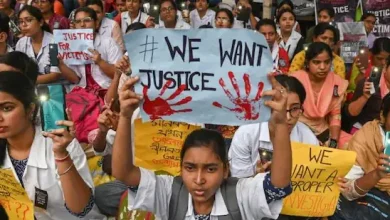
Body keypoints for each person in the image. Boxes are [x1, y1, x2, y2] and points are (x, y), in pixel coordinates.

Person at [112, 74, 293, 220]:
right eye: (190, 168)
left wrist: (281, 125)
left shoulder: (240, 194)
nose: (199, 180)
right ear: (180, 167)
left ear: (225, 170)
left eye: (210, 169)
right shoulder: (169, 193)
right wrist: (125, 117)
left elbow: (278, 185)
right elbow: (124, 173)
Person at [0, 71, 105, 219]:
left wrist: (61, 155)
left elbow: (81, 208)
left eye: (7, 108)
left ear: (30, 109)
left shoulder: (60, 143)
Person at [229, 75, 318, 178]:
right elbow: (237, 181)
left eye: (294, 108)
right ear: (267, 105)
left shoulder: (308, 138)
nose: (288, 117)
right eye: (281, 108)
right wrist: (255, 179)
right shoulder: (246, 134)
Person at [65, 7, 123, 143]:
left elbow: (118, 73)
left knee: (109, 104)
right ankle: (85, 140)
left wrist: (100, 61)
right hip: (83, 91)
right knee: (73, 99)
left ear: (97, 24)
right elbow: (75, 79)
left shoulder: (108, 43)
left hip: (106, 90)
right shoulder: (71, 45)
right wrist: (61, 63)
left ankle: (100, 139)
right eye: (78, 22)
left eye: (87, 20)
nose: (82, 25)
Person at [330, 94, 390, 220]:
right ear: (383, 116)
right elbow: (346, 190)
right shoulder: (366, 139)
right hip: (369, 195)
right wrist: (376, 174)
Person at [291, 42, 350, 148]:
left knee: (352, 145)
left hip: (323, 131)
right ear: (307, 63)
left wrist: (333, 142)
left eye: (327, 62)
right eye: (316, 62)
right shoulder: (295, 80)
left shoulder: (336, 82)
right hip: (297, 128)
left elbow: (335, 116)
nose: (322, 67)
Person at [15, 6, 71, 84]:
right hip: (29, 88)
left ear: (41, 22)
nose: (24, 25)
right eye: (21, 22)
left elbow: (55, 75)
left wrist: (26, 82)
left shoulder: (54, 42)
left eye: (28, 20)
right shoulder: (21, 43)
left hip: (54, 87)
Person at [343, 57, 390, 134]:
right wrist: (365, 97)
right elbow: (350, 113)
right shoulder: (367, 84)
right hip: (363, 133)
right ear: (385, 68)